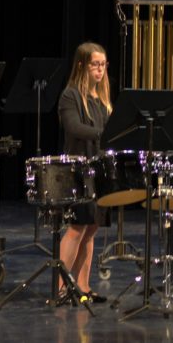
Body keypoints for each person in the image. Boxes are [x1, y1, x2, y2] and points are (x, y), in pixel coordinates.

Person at [56, 42, 112, 304]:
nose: (100, 70)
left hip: (99, 169)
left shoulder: (101, 100)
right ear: (82, 66)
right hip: (78, 170)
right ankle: (61, 287)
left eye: (103, 64)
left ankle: (83, 286)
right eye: (95, 64)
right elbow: (74, 127)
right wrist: (106, 134)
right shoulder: (70, 96)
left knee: (91, 229)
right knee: (77, 228)